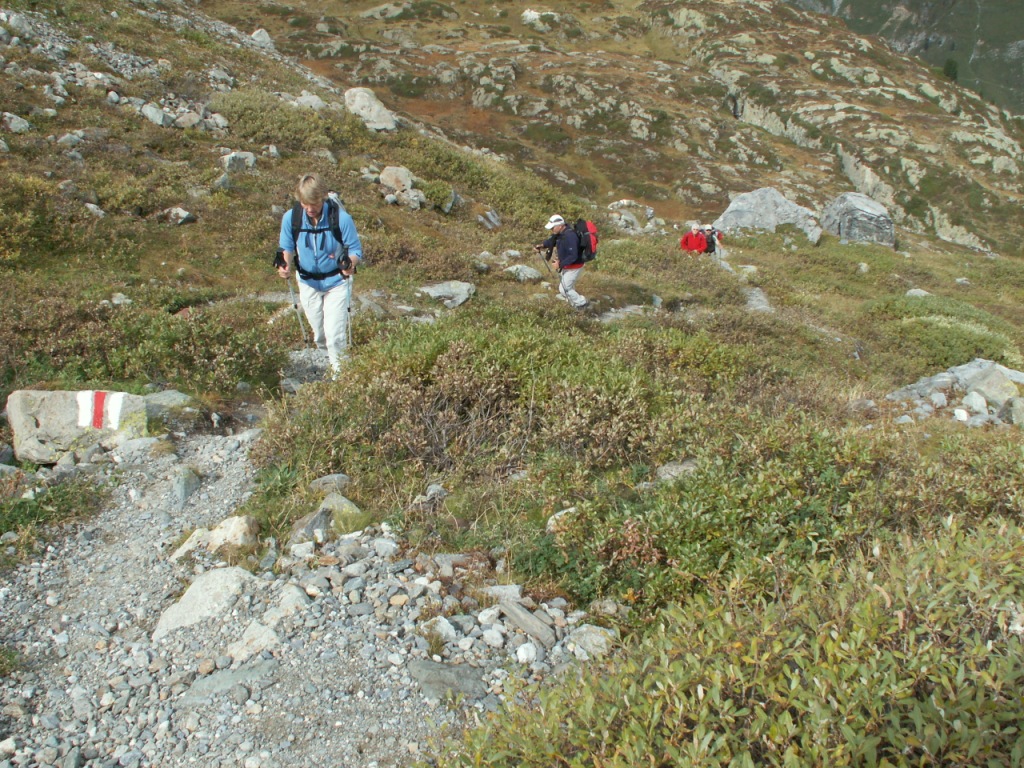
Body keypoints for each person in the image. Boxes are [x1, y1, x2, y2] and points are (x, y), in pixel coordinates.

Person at [277, 173, 362, 374]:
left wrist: (350, 263)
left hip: (337, 281)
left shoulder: (341, 218)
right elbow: (286, 247)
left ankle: (340, 377)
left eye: (313, 203)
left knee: (335, 335)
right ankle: (331, 364)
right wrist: (284, 264)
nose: (309, 209)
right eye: (304, 204)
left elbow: (356, 250)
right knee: (320, 336)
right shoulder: (292, 218)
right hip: (307, 281)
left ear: (322, 197)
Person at [534, 214, 587, 309]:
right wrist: (542, 246)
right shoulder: (561, 234)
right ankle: (573, 304)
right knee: (568, 287)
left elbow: (573, 256)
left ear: (560, 225)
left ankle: (581, 303)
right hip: (567, 266)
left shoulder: (570, 236)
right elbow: (551, 241)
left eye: (553, 227)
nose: (551, 230)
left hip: (574, 267)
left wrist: (560, 264)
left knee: (564, 289)